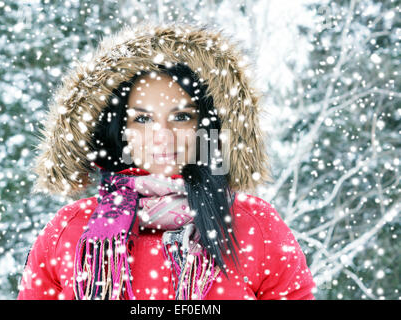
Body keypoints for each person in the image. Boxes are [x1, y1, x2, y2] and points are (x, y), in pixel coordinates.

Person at [17, 22, 316, 300]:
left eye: (182, 117)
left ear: (206, 127)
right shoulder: (69, 229)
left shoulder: (254, 226)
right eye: (143, 119)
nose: (162, 135)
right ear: (120, 130)